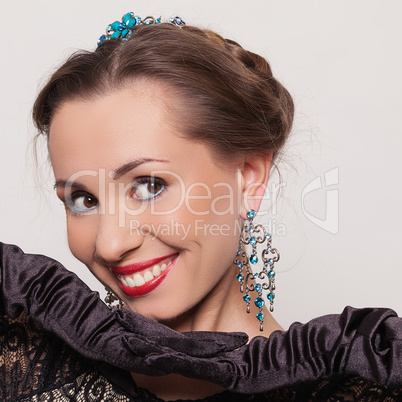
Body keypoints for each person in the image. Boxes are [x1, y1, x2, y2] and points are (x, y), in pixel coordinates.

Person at [1, 11, 402, 401]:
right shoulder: (19, 355)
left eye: (149, 185)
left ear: (248, 178)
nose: (109, 244)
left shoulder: (367, 377)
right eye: (84, 199)